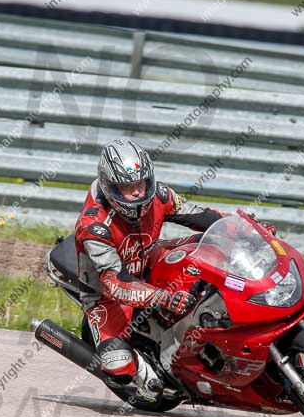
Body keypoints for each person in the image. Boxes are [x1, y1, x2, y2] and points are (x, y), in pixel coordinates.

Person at [74, 139, 228, 402]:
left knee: (206, 263)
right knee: (117, 365)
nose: (137, 192)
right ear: (110, 188)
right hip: (107, 294)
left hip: (146, 261)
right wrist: (163, 297)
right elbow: (115, 283)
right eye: (127, 187)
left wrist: (242, 227)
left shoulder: (159, 194)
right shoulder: (94, 227)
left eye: (141, 184)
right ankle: (143, 370)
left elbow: (199, 216)